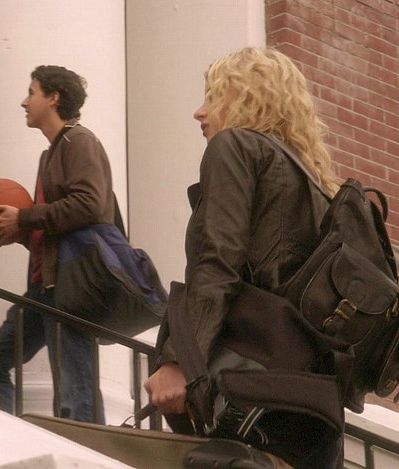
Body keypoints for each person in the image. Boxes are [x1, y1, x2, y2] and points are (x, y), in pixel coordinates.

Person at [143, 47, 344, 467]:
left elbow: (218, 261)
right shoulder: (316, 184)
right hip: (313, 407)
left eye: (213, 96)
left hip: (253, 396)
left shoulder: (234, 146)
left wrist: (180, 361)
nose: (199, 112)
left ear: (248, 98)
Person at [0, 65, 112, 424]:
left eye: (31, 92)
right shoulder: (51, 153)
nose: (24, 101)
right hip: (45, 287)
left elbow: (89, 205)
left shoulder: (80, 141)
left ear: (53, 97)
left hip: (70, 287)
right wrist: (19, 232)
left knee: (76, 391)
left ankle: (86, 451)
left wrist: (24, 217)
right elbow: (58, 223)